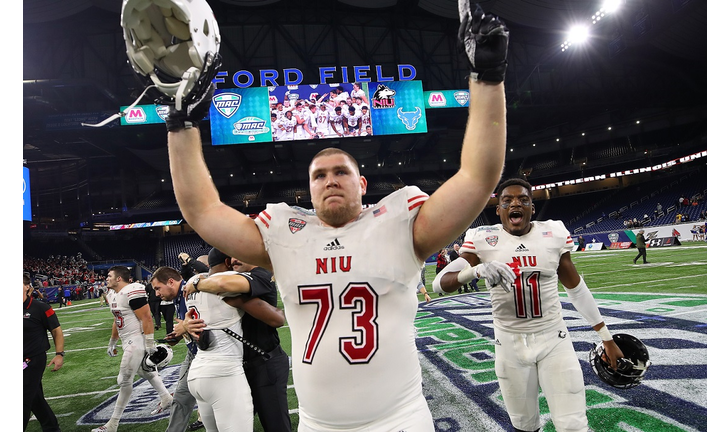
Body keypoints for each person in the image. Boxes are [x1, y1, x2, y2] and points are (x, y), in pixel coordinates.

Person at [163, 3, 509, 429]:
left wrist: (488, 78)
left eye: (341, 172)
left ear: (361, 184)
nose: (330, 180)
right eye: (319, 175)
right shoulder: (285, 233)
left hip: (400, 420)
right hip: (318, 424)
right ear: (308, 191)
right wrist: (180, 122)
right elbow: (201, 210)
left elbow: (477, 177)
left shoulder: (400, 222)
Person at [432, 178, 625, 432]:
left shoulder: (553, 233)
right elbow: (439, 284)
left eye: (523, 200)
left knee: (573, 426)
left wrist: (606, 337)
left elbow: (576, 289)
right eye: (507, 200)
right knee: (524, 426)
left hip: (553, 339)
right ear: (498, 210)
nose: (515, 204)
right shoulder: (482, 239)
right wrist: (475, 270)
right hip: (509, 343)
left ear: (532, 208)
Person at [183, 250, 291, 432]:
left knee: (275, 424)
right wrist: (185, 325)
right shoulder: (226, 281)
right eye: (232, 255)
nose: (234, 260)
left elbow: (278, 319)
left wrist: (197, 282)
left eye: (238, 253)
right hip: (238, 365)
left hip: (264, 361)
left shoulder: (260, 274)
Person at [180, 248, 254, 432]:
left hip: (198, 371)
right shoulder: (225, 281)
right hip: (224, 373)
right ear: (228, 262)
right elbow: (253, 281)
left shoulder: (193, 281)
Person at [93, 266, 173, 432]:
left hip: (136, 340)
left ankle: (113, 424)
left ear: (118, 278)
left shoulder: (132, 290)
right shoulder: (112, 294)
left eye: (109, 276)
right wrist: (112, 342)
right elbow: (117, 319)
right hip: (126, 340)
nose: (106, 278)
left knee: (124, 380)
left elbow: (146, 317)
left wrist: (149, 343)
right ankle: (166, 397)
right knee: (145, 371)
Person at [150, 266, 200, 432]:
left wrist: (184, 327)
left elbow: (208, 325)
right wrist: (176, 336)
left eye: (158, 288)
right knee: (181, 397)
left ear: (171, 282)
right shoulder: (179, 297)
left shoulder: (191, 292)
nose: (157, 294)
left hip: (209, 355)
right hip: (194, 353)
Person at [24, 273, 64, 432]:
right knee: (35, 398)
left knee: (22, 397)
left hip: (33, 359)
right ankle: (51, 428)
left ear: (27, 287)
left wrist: (59, 354)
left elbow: (56, 331)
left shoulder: (41, 308)